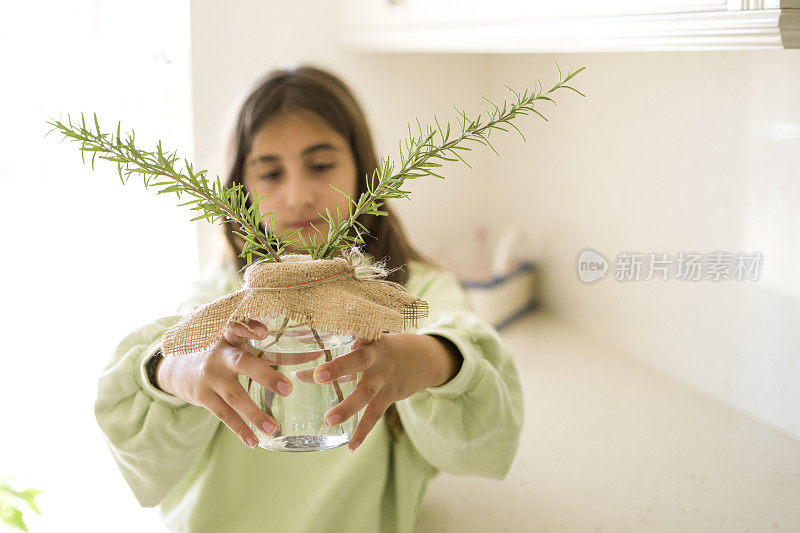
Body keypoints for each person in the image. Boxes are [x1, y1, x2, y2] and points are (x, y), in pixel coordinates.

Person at [94, 65, 524, 533]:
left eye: (321, 166)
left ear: (363, 170)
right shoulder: (224, 293)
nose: (298, 195)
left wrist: (423, 359)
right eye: (270, 173)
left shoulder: (410, 294)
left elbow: (483, 394)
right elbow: (136, 389)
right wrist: (180, 369)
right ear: (240, 190)